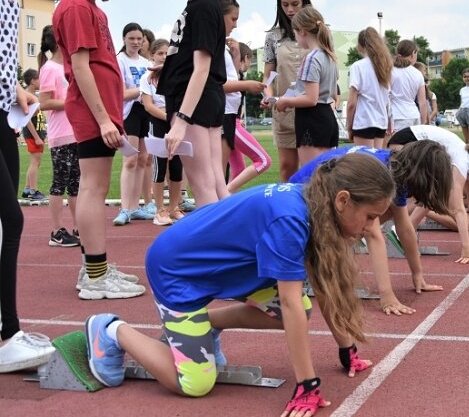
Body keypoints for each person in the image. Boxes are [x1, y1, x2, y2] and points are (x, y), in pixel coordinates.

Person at [85, 154, 391, 413]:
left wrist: (346, 349)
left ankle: (205, 325)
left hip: (231, 270)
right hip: (179, 271)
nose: (370, 228)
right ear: (343, 200)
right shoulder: (291, 221)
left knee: (297, 311)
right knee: (195, 384)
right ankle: (111, 329)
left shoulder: (315, 205)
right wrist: (307, 385)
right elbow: (290, 301)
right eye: (370, 217)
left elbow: (322, 288)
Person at [52, 0, 146, 301]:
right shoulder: (75, 7)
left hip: (101, 110)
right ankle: (95, 274)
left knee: (96, 186)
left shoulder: (90, 7)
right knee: (94, 187)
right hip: (95, 113)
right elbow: (79, 67)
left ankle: (96, 267)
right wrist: (104, 119)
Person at [0, 0, 59, 374]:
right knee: (8, 222)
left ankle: (8, 331)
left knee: (8, 221)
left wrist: (14, 86)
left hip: (3, 113)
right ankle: (6, 335)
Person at [291, 141, 451, 315]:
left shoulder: (396, 168)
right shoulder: (376, 176)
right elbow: (373, 234)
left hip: (319, 194)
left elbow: (404, 226)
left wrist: (417, 274)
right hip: (303, 199)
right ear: (424, 177)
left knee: (380, 214)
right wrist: (387, 297)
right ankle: (314, 261)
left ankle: (323, 259)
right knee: (365, 222)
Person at [157, 0, 229, 206]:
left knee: (202, 185)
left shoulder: (202, 8)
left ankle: (213, 246)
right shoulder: (206, 6)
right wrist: (168, 67)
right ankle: (230, 243)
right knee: (214, 182)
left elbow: (202, 68)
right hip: (205, 98)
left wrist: (182, 122)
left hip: (193, 101)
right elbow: (195, 60)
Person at [388, 125, 469, 264]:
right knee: (435, 190)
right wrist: (466, 248)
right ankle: (402, 229)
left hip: (415, 145)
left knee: (435, 191)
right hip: (404, 143)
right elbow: (459, 209)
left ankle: (405, 229)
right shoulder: (463, 163)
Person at [274, 6, 339, 167]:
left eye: (295, 33)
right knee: (327, 177)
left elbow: (311, 99)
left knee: (311, 177)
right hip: (328, 119)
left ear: (302, 31)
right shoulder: (329, 56)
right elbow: (330, 92)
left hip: (312, 120)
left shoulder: (312, 58)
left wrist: (284, 101)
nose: (296, 38)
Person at [262, 0, 312, 181]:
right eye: (285, 5)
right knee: (287, 166)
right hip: (284, 109)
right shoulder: (273, 36)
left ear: (305, 2)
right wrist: (268, 94)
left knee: (312, 170)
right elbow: (269, 74)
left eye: (295, 4)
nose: (290, 10)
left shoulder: (320, 31)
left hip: (312, 108)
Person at [38, 25, 81, 246]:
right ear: (57, 42)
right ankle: (56, 231)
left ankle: (78, 226)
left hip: (77, 132)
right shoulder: (49, 69)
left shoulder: (72, 65)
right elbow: (44, 102)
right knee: (60, 183)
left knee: (76, 184)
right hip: (61, 135)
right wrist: (72, 103)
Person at [216, 0, 265, 178]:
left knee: (224, 171)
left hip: (228, 113)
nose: (235, 25)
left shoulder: (223, 48)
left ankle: (222, 201)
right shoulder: (214, 46)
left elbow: (228, 77)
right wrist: (246, 85)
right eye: (233, 19)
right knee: (217, 172)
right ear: (219, 16)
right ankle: (216, 205)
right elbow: (216, 84)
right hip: (223, 113)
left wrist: (235, 55)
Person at [113, 22, 154, 226]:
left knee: (144, 159)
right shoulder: (119, 61)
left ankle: (136, 207)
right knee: (130, 160)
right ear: (124, 39)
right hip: (129, 113)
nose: (136, 42)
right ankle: (125, 208)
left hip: (145, 111)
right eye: (132, 38)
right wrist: (143, 89)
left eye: (139, 39)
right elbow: (120, 94)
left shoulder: (147, 62)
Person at [140, 39, 185, 226]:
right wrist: (169, 116)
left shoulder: (177, 75)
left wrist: (177, 119)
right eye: (160, 53)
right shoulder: (146, 78)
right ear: (152, 55)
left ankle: (174, 207)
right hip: (158, 124)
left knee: (176, 166)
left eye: (167, 53)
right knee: (160, 167)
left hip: (175, 123)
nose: (164, 57)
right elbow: (149, 106)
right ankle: (160, 208)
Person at [226, 42, 272, 193]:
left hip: (233, 123)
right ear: (245, 58)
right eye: (249, 61)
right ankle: (224, 194)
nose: (249, 65)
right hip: (231, 124)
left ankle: (225, 200)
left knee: (238, 168)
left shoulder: (235, 76)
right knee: (264, 160)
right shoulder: (233, 77)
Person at [346, 26, 392, 148]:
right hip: (381, 122)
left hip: (364, 121)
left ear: (361, 45)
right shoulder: (384, 67)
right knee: (375, 162)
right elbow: (387, 100)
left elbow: (351, 103)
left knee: (364, 163)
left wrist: (349, 126)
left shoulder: (358, 66)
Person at [20, 68, 47, 201]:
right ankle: (33, 191)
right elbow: (27, 120)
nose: (41, 81)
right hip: (33, 135)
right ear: (32, 81)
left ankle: (27, 189)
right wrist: (36, 137)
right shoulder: (26, 96)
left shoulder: (35, 96)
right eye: (39, 79)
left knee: (35, 162)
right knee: (35, 162)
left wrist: (42, 134)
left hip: (38, 134)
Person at [389, 39, 426, 133]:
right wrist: (424, 123)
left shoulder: (390, 71)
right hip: (414, 116)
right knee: (413, 147)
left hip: (396, 116)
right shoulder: (418, 74)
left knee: (395, 147)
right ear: (413, 53)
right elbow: (422, 103)